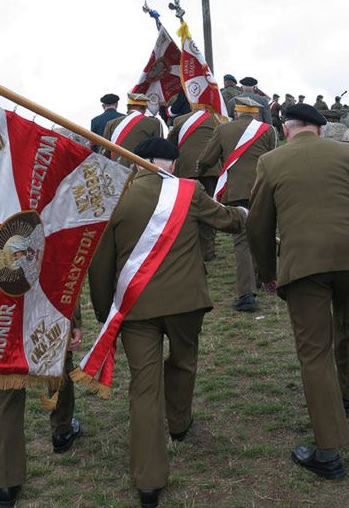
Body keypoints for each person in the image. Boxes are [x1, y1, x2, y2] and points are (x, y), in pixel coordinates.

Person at [88, 138, 246, 508]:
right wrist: (247, 216)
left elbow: (100, 263)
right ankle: (179, 423)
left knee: (143, 388)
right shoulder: (188, 192)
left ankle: (148, 480)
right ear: (171, 164)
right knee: (183, 361)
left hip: (135, 310)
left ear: (138, 162)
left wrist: (103, 311)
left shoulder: (118, 197)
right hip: (186, 303)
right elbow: (226, 220)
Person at [247, 103, 349, 480]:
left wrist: (267, 272)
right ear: (319, 128)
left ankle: (328, 451)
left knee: (314, 352)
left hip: (303, 265)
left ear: (286, 129)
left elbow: (259, 225)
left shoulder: (271, 162)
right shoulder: (347, 152)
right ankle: (346, 394)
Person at [0, 305, 83, 507]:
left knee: (5, 386)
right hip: (44, 300)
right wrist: (73, 321)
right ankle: (62, 430)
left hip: (3, 305)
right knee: (55, 357)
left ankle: (7, 482)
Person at [197, 96, 277, 312]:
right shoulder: (268, 130)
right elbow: (272, 158)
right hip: (262, 190)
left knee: (242, 240)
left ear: (236, 113)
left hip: (236, 191)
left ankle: (246, 294)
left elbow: (208, 159)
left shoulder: (223, 130)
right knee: (263, 234)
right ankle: (264, 278)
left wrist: (199, 173)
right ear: (256, 113)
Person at [168, 107, 220, 261]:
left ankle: (188, 249)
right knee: (210, 208)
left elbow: (171, 143)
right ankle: (208, 251)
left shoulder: (179, 120)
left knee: (188, 210)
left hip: (186, 169)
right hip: (211, 169)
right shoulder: (217, 119)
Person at [102, 92, 163, 168]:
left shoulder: (111, 123)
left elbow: (104, 154)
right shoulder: (154, 123)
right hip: (140, 172)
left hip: (116, 172)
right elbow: (159, 151)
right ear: (145, 108)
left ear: (128, 107)